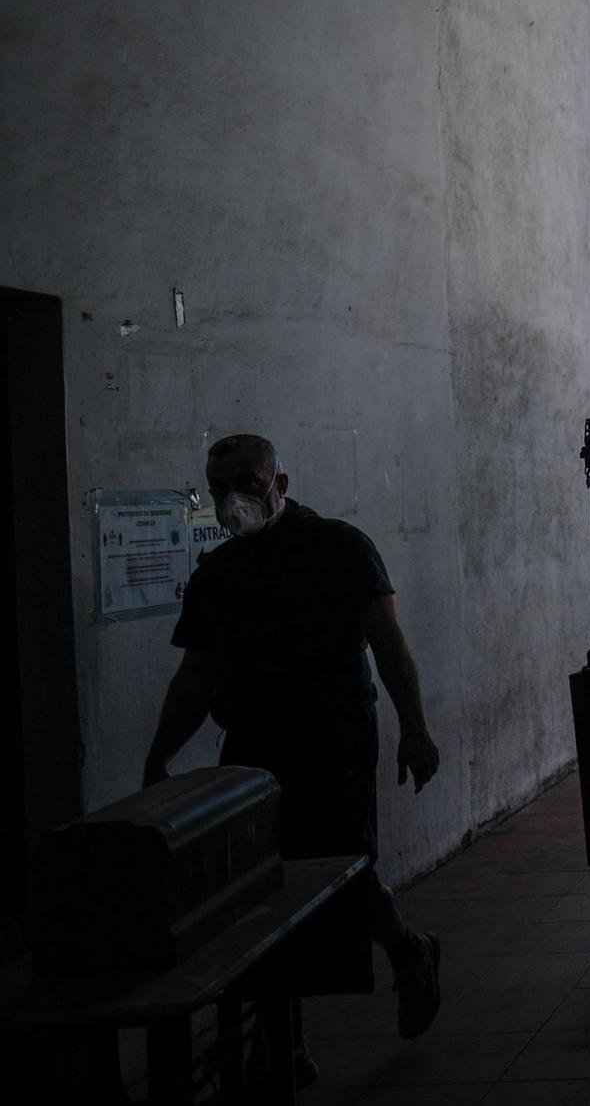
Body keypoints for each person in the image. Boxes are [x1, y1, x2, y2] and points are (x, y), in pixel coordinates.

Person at [145, 434, 444, 1083]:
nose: (233, 497)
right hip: (254, 751)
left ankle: (408, 950)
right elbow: (195, 677)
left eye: (246, 481)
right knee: (261, 891)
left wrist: (413, 729)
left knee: (341, 875)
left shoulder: (339, 548)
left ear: (280, 479)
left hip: (333, 742)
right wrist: (158, 755)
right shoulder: (217, 577)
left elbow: (388, 645)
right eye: (219, 485)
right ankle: (288, 1040)